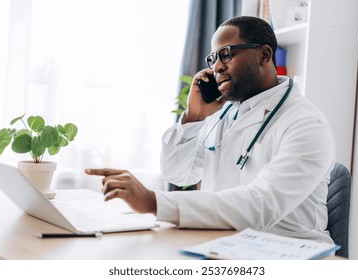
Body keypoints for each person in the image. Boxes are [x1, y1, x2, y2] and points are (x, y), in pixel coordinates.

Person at [85, 16, 335, 244]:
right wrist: (193, 118)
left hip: (289, 252)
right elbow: (179, 174)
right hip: (222, 241)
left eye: (225, 54)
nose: (217, 67)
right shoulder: (225, 113)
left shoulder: (306, 124)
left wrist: (154, 201)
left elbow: (261, 206)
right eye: (212, 59)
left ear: (264, 55)